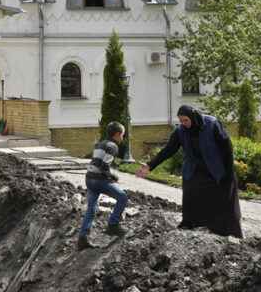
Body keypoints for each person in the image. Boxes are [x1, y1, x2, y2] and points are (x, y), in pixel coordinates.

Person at [137, 105, 242, 238]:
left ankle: (228, 233)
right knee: (191, 192)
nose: (183, 124)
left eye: (185, 120)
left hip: (217, 169)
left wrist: (228, 171)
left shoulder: (212, 124)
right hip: (195, 169)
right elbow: (168, 150)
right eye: (181, 121)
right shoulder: (180, 131)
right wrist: (150, 166)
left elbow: (227, 148)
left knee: (224, 200)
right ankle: (190, 225)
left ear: (193, 117)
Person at [78, 122, 128, 251]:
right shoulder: (113, 146)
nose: (123, 137)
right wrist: (113, 177)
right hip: (99, 180)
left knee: (91, 208)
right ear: (117, 135)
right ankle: (113, 225)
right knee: (122, 197)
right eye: (123, 135)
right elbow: (104, 166)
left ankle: (82, 239)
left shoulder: (100, 144)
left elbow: (96, 162)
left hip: (89, 178)